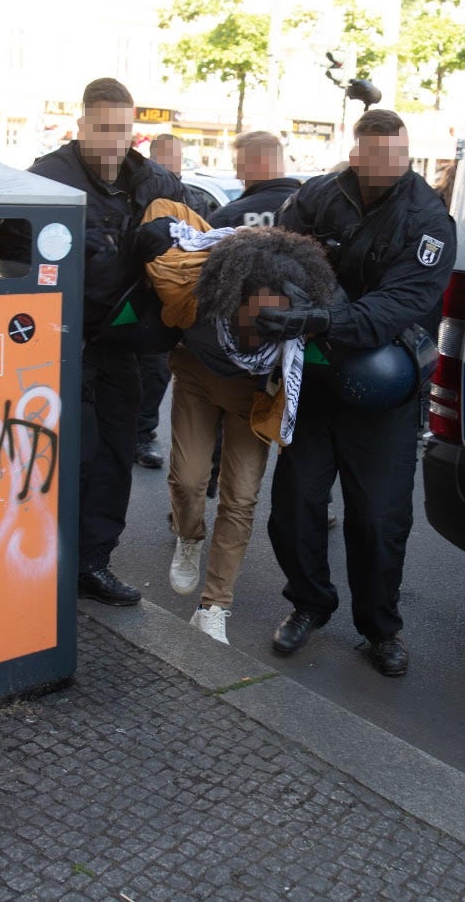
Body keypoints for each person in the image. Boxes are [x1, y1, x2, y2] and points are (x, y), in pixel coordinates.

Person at [256, 109, 456, 677]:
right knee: (294, 508)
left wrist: (322, 317)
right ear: (356, 154)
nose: (386, 169)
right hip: (317, 381)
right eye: (375, 159)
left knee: (378, 519)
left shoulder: (427, 219)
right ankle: (309, 604)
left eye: (397, 158)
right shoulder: (319, 194)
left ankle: (380, 628)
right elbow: (277, 249)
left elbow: (400, 305)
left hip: (383, 386)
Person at [28, 78, 184, 606]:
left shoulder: (156, 180)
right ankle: (43, 561)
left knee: (115, 454)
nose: (115, 140)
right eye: (105, 128)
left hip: (125, 341)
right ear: (83, 126)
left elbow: (190, 239)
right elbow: (16, 253)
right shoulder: (49, 178)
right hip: (60, 340)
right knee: (68, 455)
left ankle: (94, 562)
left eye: (124, 129)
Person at [169, 132, 305, 643]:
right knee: (187, 480)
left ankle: (214, 606)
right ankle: (188, 536)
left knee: (241, 497)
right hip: (199, 373)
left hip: (254, 389)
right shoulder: (213, 286)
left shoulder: (285, 337)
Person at [133, 133, 219, 470]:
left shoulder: (195, 197)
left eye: (176, 155)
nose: (172, 162)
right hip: (148, 300)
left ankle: (155, 437)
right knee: (148, 370)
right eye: (164, 156)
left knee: (173, 376)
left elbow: (214, 235)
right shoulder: (138, 197)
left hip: (191, 299)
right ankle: (139, 433)